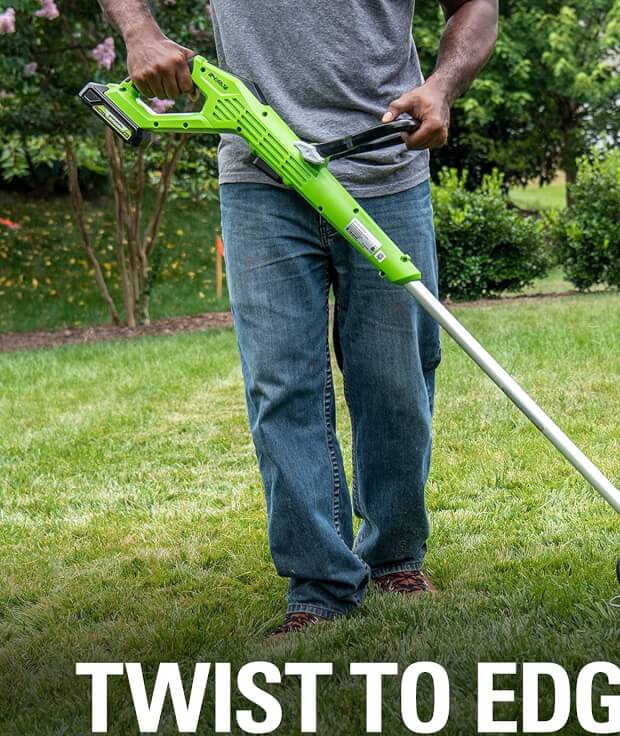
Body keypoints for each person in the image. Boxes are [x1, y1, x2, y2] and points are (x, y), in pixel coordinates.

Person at [98, 0, 498, 637]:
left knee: (395, 378)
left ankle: (395, 557)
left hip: (384, 165)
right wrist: (139, 31)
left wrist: (442, 87)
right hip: (260, 173)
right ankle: (320, 583)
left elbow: (476, 5)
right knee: (282, 383)